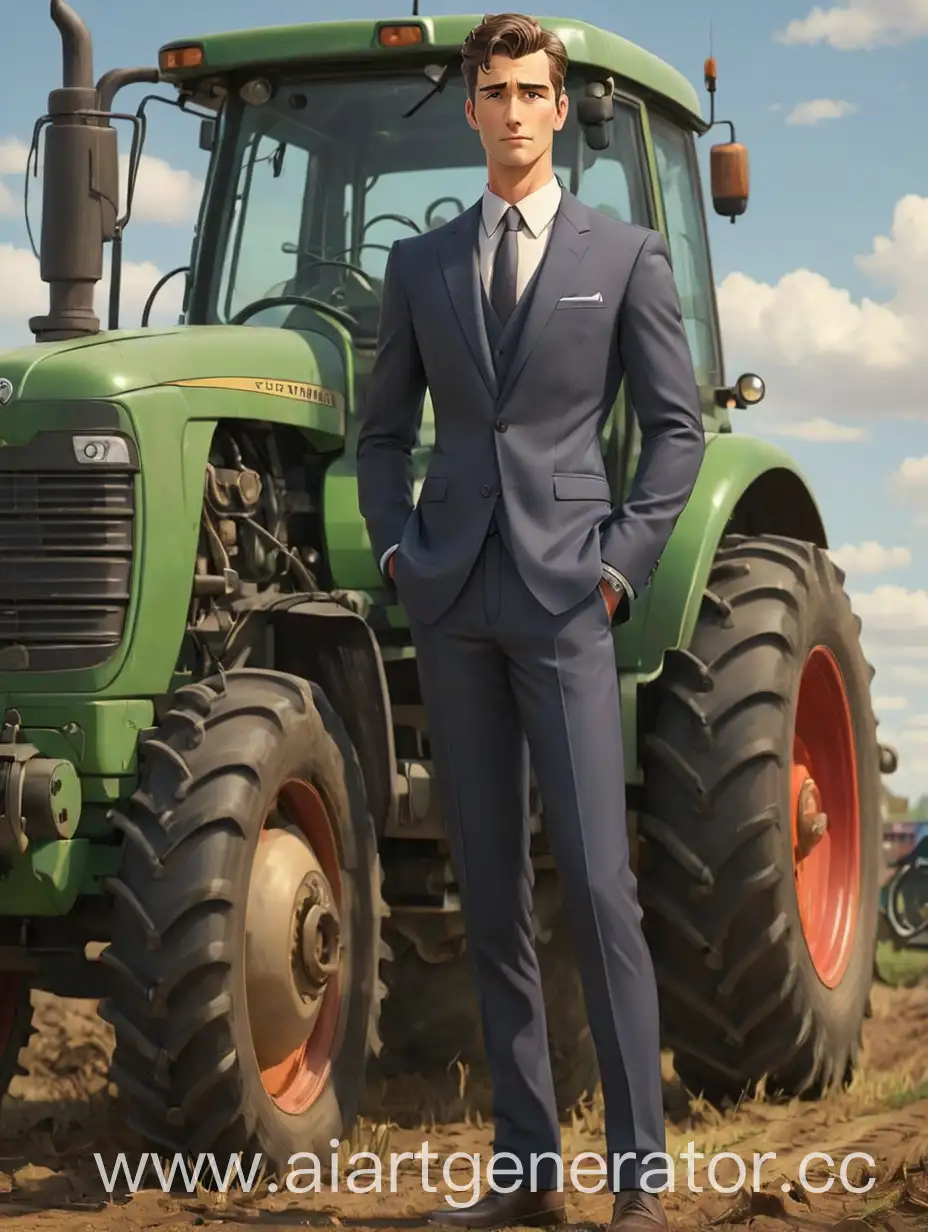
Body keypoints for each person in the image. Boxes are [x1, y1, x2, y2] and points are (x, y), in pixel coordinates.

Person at [356, 12, 705, 1230]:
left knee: (601, 890)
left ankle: (640, 1181)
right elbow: (382, 430)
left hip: (568, 597)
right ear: (471, 111)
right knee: (490, 892)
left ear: (562, 109)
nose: (511, 109)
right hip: (453, 596)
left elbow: (676, 430)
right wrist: (400, 549)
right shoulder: (425, 266)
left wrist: (616, 569)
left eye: (530, 90)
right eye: (492, 91)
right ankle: (522, 1175)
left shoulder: (626, 256)